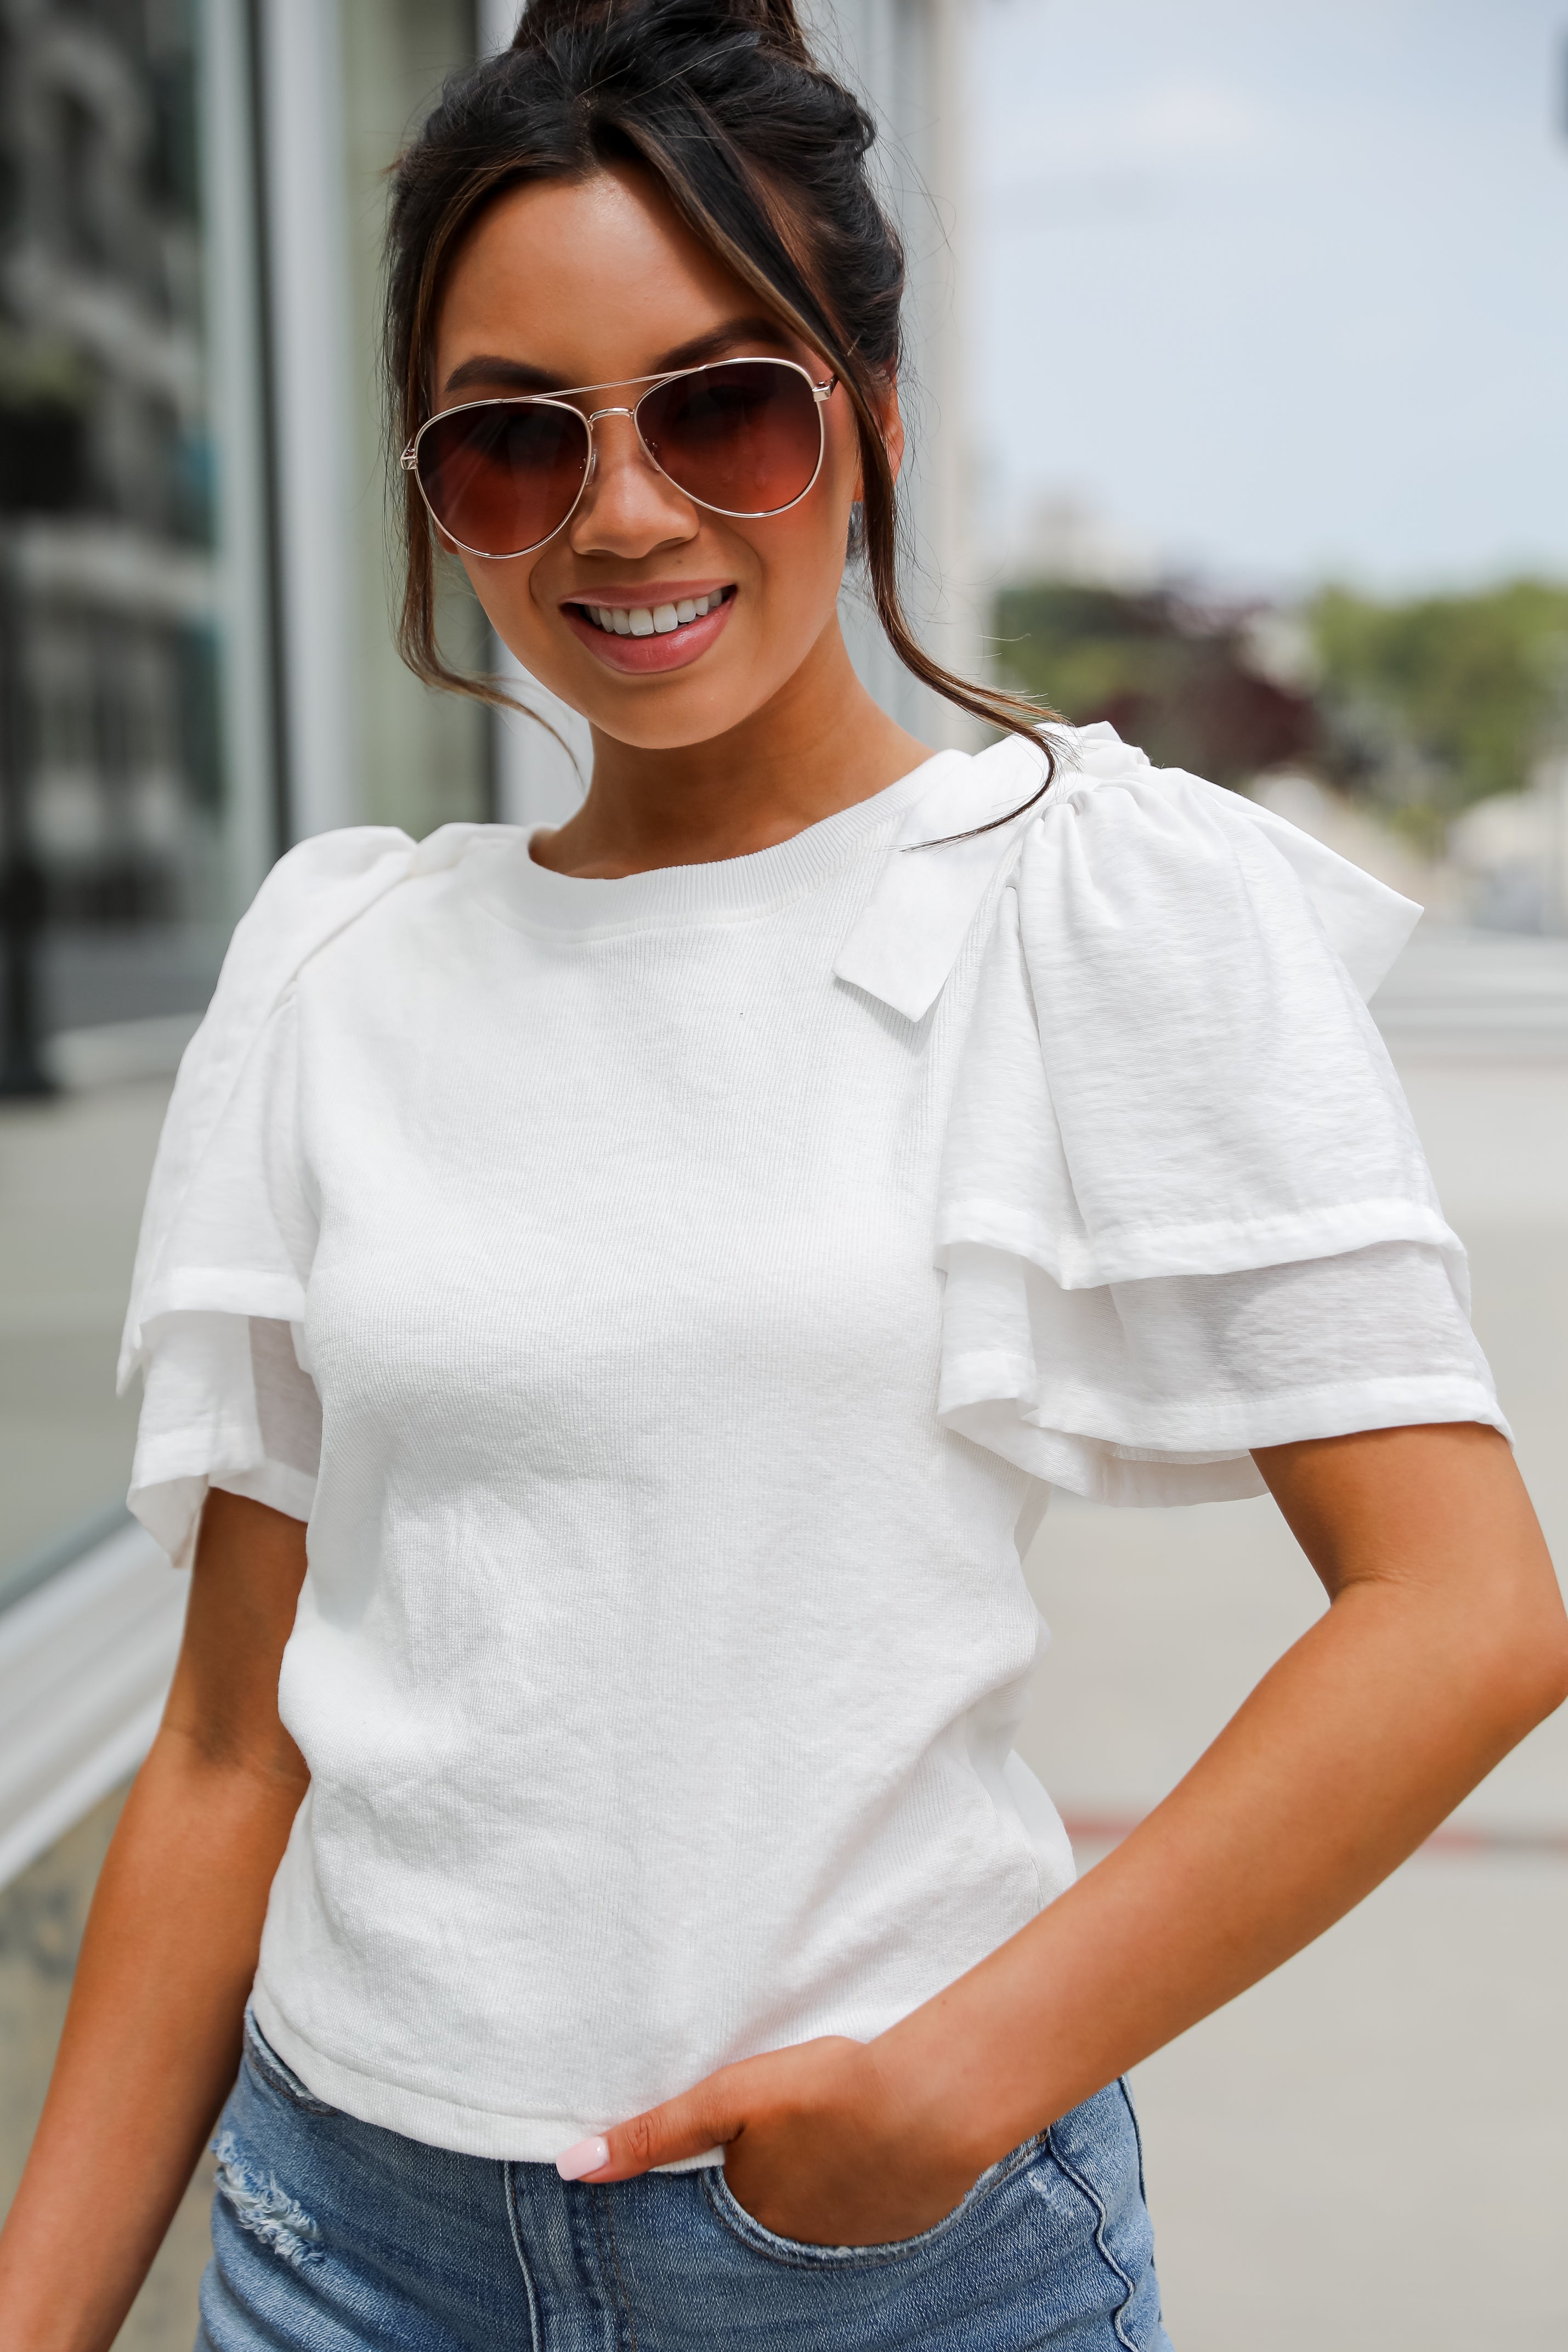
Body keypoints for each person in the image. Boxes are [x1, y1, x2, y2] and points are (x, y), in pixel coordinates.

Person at [2, 2, 1564, 2345]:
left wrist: (949, 2090)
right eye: (517, 442)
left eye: (721, 405)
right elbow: (230, 1746)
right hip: (344, 2244)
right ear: (437, 495)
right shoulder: (345, 959)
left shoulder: (1083, 895)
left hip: (885, 2272)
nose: (624, 512)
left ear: (877, 423)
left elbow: (1461, 1606)